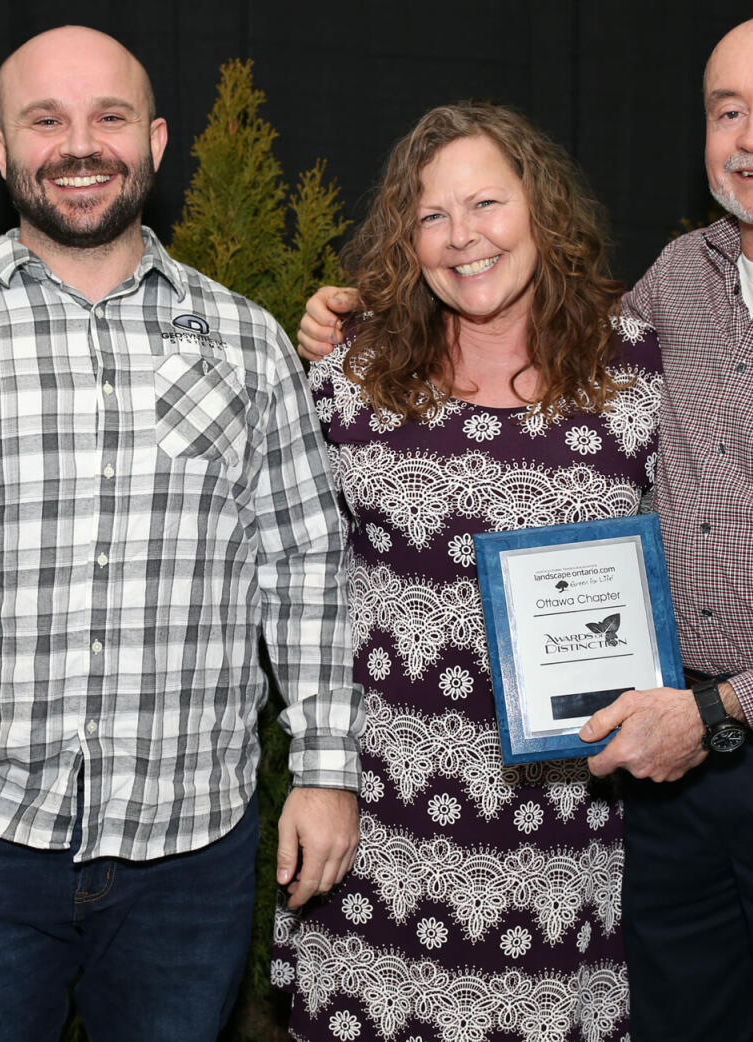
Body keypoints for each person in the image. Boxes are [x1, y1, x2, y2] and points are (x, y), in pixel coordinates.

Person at [299, 9, 753, 1042]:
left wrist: (727, 708)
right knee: (681, 1018)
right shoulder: (677, 284)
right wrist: (358, 314)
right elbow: (530, 347)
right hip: (662, 761)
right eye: (728, 111)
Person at [0, 25, 361, 1041]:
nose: (79, 145)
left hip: (190, 852)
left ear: (154, 141)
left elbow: (305, 565)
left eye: (109, 117)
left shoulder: (246, 341)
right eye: (45, 120)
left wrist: (325, 769)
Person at [271, 101, 659, 1042]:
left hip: (560, 819)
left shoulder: (638, 368)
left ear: (541, 208)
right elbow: (296, 573)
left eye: (486, 203)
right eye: (432, 216)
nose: (462, 236)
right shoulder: (350, 373)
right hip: (380, 812)